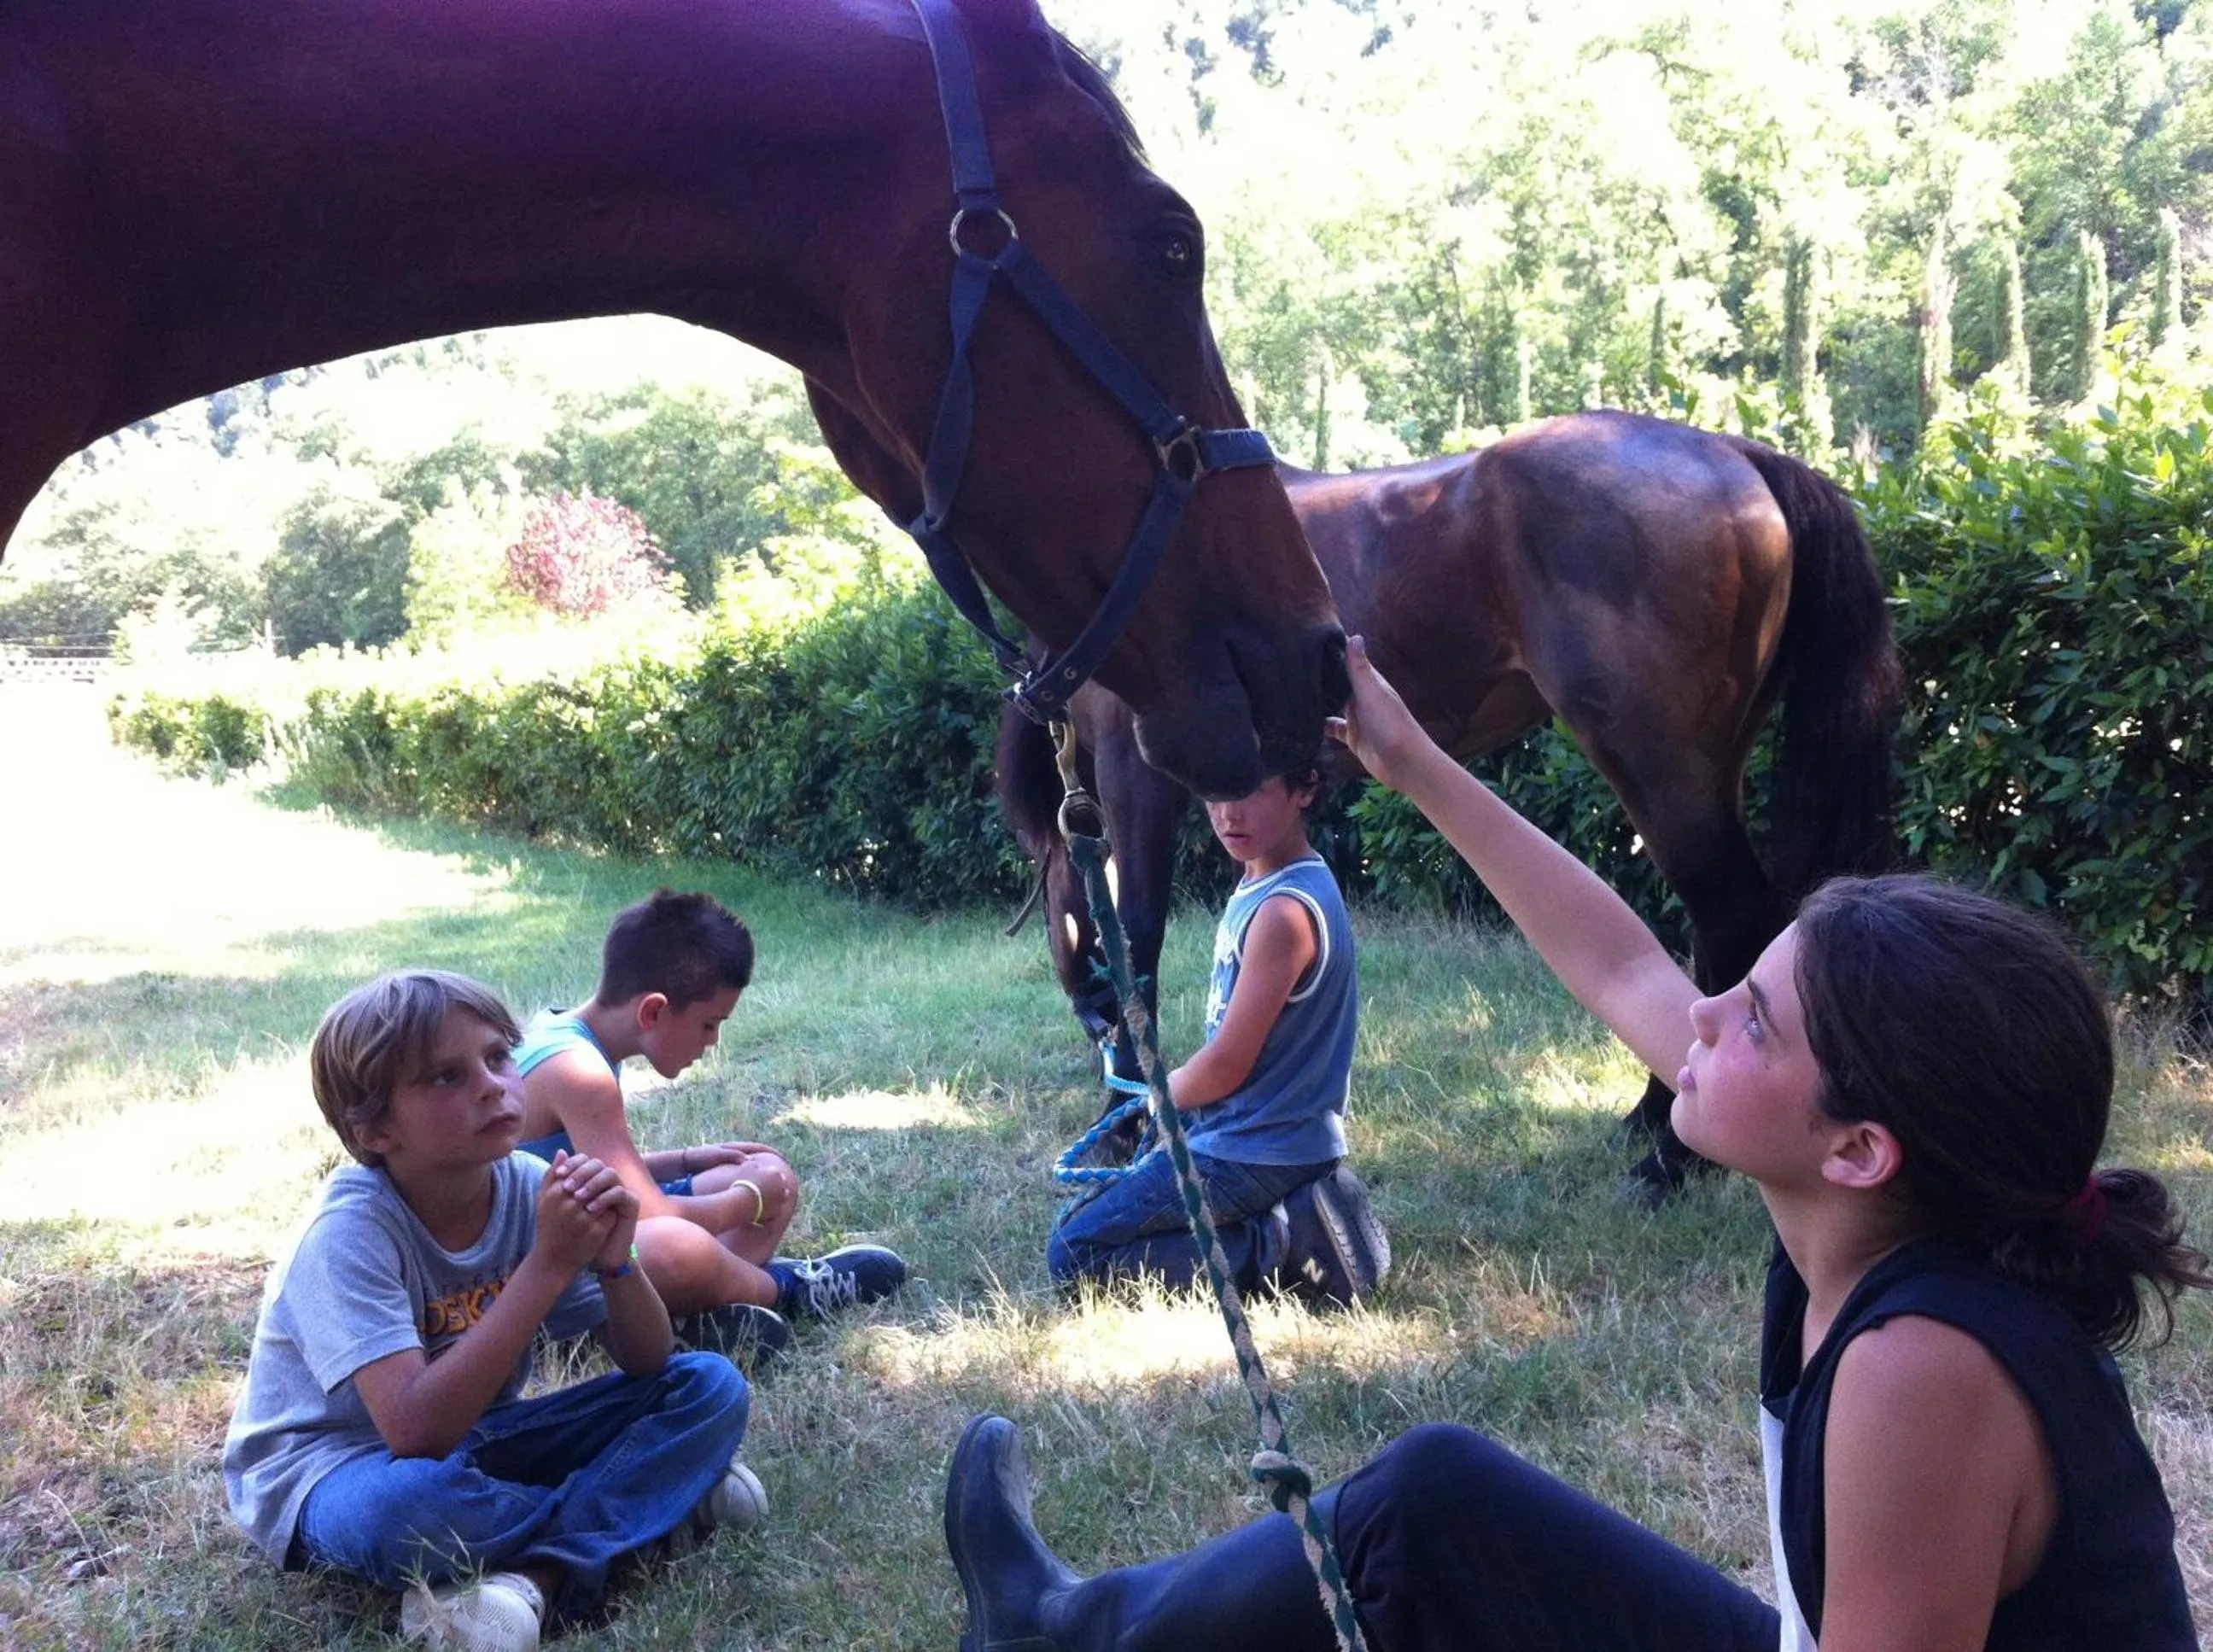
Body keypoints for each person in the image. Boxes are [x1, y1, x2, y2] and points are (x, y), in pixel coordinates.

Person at [944, 636, 2209, 1652]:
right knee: (1438, 1499)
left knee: (1442, 1511)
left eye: (1751, 1017)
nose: (1700, 1014)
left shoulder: (1927, 1366)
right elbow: (1618, 959)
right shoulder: (1873, 1213)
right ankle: (1064, 1628)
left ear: (1862, 1146)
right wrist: (1416, 758)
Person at [223, 970, 766, 1652]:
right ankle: (657, 1501)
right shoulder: (348, 1235)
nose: (491, 1084)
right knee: (407, 1511)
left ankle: (533, 1577)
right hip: (332, 1472)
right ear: (376, 1127)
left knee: (708, 1386)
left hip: (481, 1438)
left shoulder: (530, 1187)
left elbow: (649, 1360)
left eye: (498, 1057)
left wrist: (614, 1257)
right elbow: (415, 1432)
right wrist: (546, 1265)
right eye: (445, 1077)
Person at [1046, 761, 1386, 1306]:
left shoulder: (1283, 913)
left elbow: (1229, 1064)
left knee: (1074, 1252)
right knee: (1094, 1221)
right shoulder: (1267, 880)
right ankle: (1290, 1215)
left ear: (1305, 786)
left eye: (1249, 790)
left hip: (1258, 1151)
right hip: (1252, 1139)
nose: (1228, 814)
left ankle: (1277, 1243)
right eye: (1213, 791)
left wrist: (1164, 1092)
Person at [514, 889, 907, 1357]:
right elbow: (651, 1214)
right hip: (542, 1273)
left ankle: (698, 1312)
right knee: (678, 1246)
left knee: (766, 1167)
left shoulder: (564, 1030)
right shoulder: (576, 1069)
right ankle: (784, 1291)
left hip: (588, 1233)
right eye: (708, 1024)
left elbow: (587, 1173)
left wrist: (685, 1160)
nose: (713, 1041)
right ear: (653, 1011)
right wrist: (745, 1202)